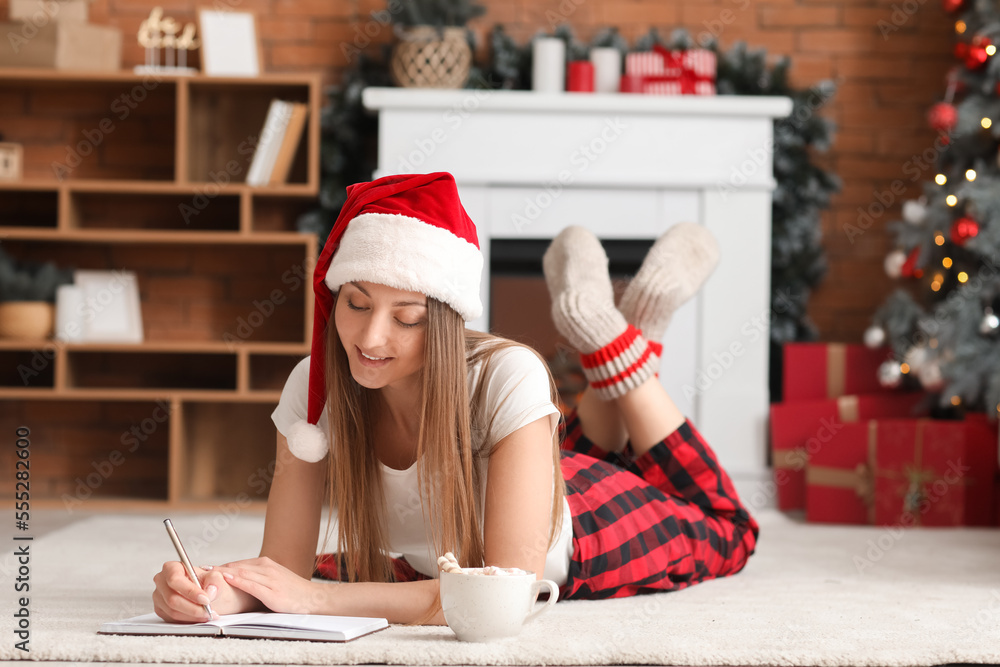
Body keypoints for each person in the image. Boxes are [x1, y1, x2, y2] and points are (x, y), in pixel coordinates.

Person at [152, 171, 758, 625]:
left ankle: (615, 348)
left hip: (579, 522)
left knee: (728, 529)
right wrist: (220, 595)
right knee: (583, 444)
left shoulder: (510, 373)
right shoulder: (314, 388)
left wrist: (316, 599)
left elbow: (499, 596)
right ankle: (617, 343)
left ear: (443, 322)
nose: (369, 338)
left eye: (406, 317)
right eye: (356, 303)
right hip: (461, 534)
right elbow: (282, 574)